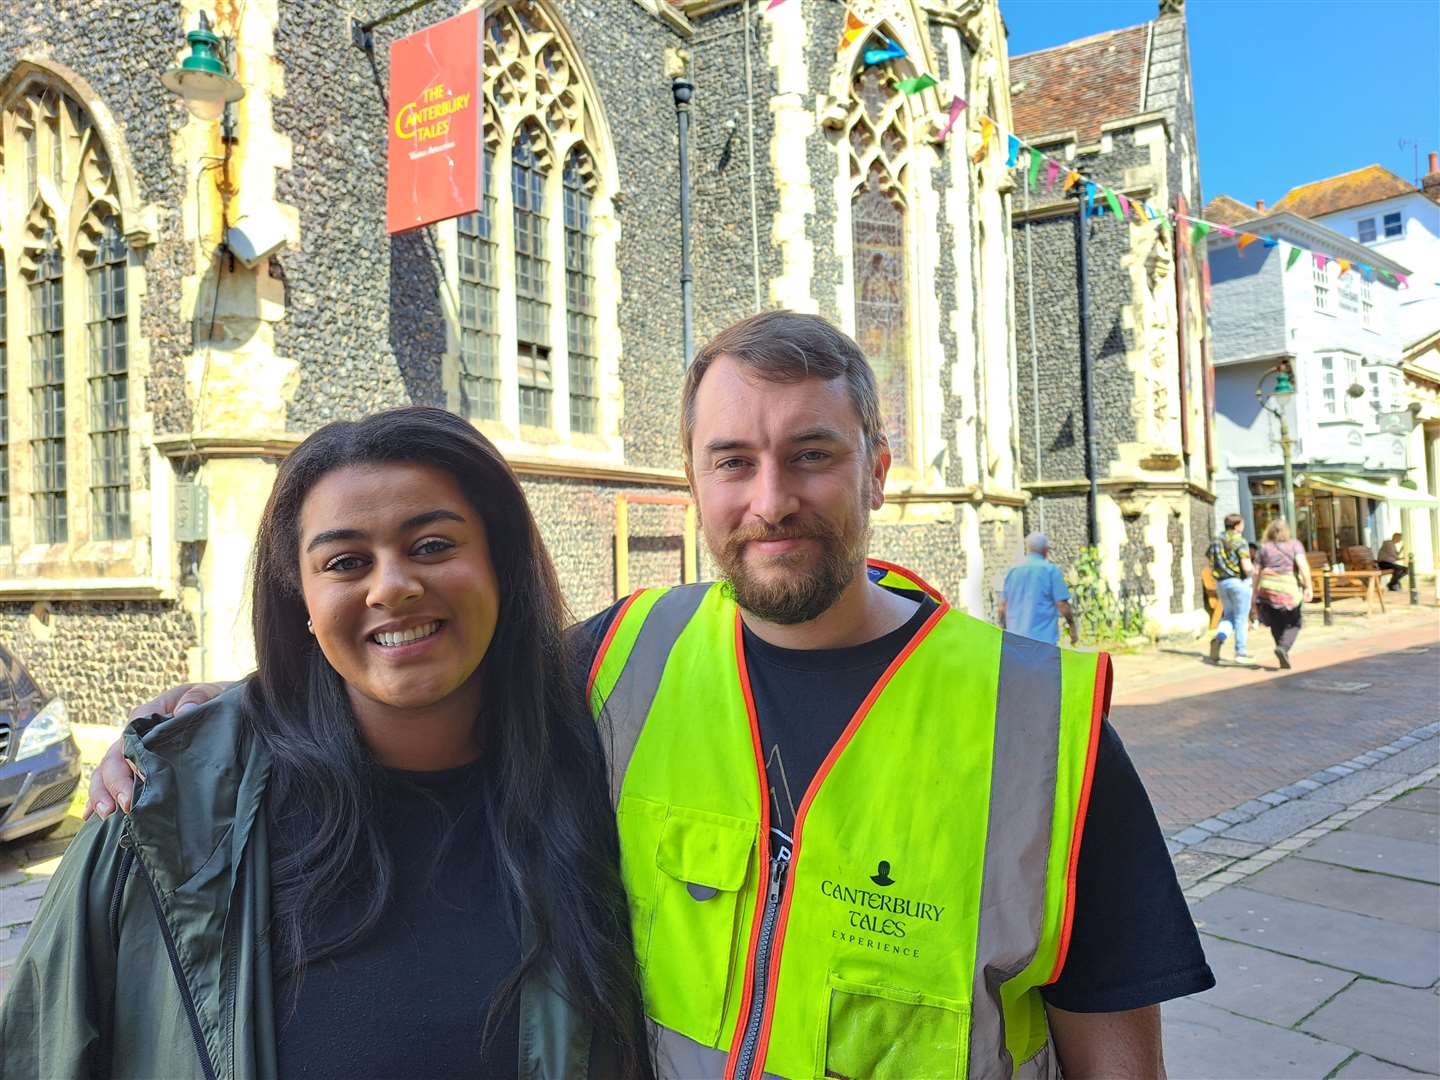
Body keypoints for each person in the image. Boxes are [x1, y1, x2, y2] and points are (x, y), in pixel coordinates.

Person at [89, 312, 1213, 1078]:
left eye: (811, 455)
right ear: (692, 482)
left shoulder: (1043, 726)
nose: (771, 500)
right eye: (733, 461)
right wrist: (219, 726)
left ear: (879, 466)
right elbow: (414, 658)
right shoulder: (621, 658)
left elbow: (1114, 1049)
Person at [1, 409, 649, 1078]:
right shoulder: (162, 814)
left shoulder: (612, 774)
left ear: (500, 564)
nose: (392, 586)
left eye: (431, 545)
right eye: (345, 562)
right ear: (301, 601)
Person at [997, 532, 1080, 645]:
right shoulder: (1050, 571)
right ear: (1046, 551)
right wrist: (1072, 627)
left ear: (1027, 548)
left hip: (1016, 640)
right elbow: (1062, 604)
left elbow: (1002, 606)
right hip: (1043, 641)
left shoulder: (1013, 571)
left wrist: (1003, 629)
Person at [1252, 518, 1313, 670]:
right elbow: (1303, 566)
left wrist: (1254, 593)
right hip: (1287, 588)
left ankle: (1280, 647)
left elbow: (1255, 572)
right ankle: (1283, 648)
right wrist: (1308, 587)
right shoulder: (1294, 544)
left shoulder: (1264, 548)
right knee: (1295, 622)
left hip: (1267, 588)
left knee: (1275, 622)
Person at [1207, 513, 1256, 663]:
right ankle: (1240, 652)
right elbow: (1246, 567)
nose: (1243, 526)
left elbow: (1209, 559)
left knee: (1228, 615)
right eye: (1242, 524)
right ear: (1237, 526)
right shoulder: (1240, 541)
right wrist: (1254, 572)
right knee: (1241, 618)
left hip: (1222, 583)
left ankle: (1219, 638)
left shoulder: (1216, 541)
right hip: (1238, 583)